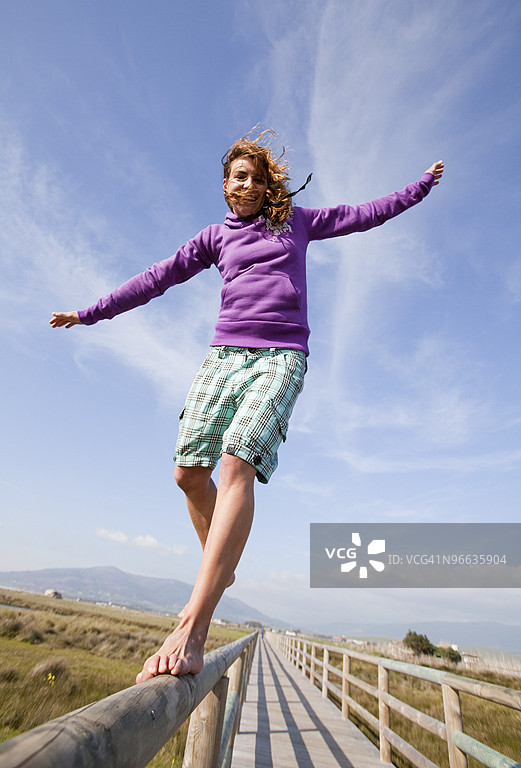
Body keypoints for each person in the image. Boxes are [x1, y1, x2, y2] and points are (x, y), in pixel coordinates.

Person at [50, 131, 444, 683]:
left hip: (282, 355)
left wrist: (419, 187)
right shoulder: (214, 238)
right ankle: (223, 565)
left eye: (259, 178)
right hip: (223, 356)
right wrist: (90, 313)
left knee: (238, 463)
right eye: (241, 176)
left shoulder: (296, 224)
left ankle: (193, 624)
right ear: (227, 185)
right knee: (189, 474)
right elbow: (155, 279)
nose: (250, 184)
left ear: (269, 186)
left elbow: (363, 214)